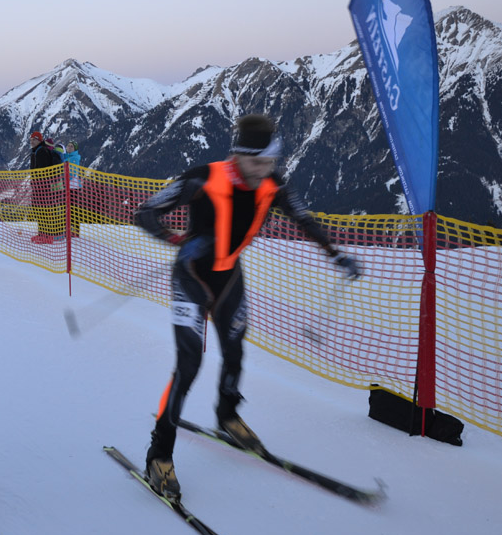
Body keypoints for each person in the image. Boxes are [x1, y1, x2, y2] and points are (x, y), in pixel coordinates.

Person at [134, 114, 361, 500]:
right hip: (191, 278)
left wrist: (335, 255)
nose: (265, 170)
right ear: (238, 156)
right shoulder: (203, 178)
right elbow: (145, 211)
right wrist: (173, 238)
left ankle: (227, 415)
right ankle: (159, 453)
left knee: (236, 351)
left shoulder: (273, 184)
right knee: (188, 366)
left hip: (228, 279)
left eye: (271, 162)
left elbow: (304, 220)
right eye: (257, 162)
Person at [29, 131, 57, 243]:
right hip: (39, 187)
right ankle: (42, 233)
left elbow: (44, 171)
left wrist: (38, 182)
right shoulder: (37, 151)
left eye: (34, 140)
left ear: (40, 140)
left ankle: (47, 236)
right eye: (31, 140)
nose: (32, 142)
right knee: (39, 211)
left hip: (42, 187)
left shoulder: (42, 152)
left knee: (43, 211)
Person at [62, 141, 82, 238]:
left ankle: (75, 229)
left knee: (72, 208)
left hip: (73, 187)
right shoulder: (66, 157)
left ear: (75, 149)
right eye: (68, 145)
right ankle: (68, 228)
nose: (69, 147)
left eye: (71, 146)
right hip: (67, 186)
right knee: (67, 208)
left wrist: (65, 179)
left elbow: (73, 172)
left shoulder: (75, 158)